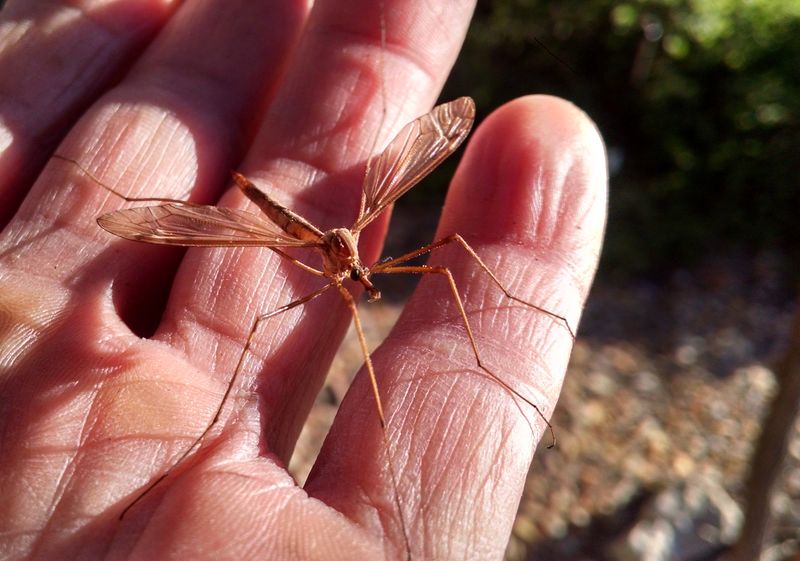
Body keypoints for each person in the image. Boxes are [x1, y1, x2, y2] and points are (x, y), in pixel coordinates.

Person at [0, 0, 607, 559]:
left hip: (333, 233)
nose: (365, 284)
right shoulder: (314, 258)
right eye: (360, 279)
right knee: (257, 297)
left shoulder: (358, 257)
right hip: (281, 222)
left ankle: (495, 332)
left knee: (448, 248)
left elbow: (446, 217)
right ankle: (215, 425)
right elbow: (271, 315)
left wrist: (499, 306)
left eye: (362, 278)